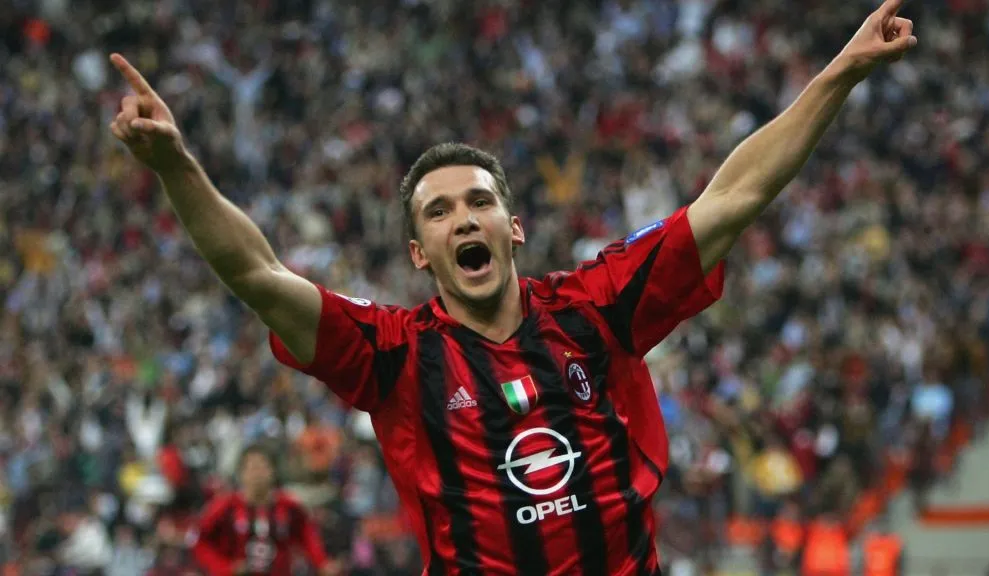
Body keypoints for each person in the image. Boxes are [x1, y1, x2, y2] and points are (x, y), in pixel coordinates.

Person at [107, 0, 916, 572]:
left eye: (479, 203)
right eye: (440, 212)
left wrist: (841, 72)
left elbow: (733, 198)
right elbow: (257, 273)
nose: (464, 220)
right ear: (419, 251)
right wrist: (178, 165)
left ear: (512, 226)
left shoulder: (596, 306)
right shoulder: (393, 354)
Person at [191, 445, 339, 576]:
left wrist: (322, 563)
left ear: (273, 471)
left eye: (263, 467)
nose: (258, 474)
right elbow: (199, 541)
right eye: (253, 468)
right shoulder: (225, 506)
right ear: (241, 474)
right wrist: (225, 568)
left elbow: (307, 534)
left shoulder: (288, 506)